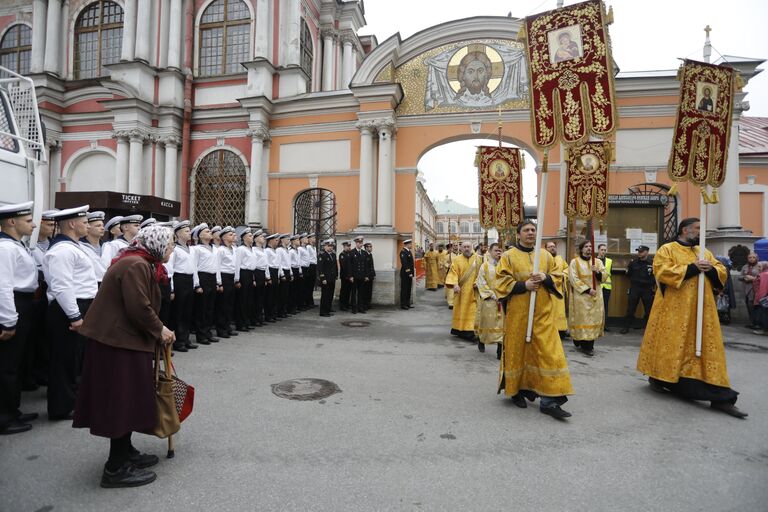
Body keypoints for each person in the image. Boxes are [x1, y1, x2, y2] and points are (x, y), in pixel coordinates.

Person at [74, 224, 176, 488]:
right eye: (169, 244)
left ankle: (126, 451)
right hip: (117, 343)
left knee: (129, 399)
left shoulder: (142, 262)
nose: (172, 249)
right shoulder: (136, 265)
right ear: (156, 244)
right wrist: (160, 329)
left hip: (123, 340)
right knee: (121, 400)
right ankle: (115, 468)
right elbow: (138, 307)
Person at [637, 218, 747, 418]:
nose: (700, 233)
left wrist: (711, 269)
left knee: (705, 349)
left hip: (703, 312)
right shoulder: (667, 249)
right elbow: (662, 271)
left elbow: (721, 272)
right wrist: (693, 268)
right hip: (674, 313)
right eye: (697, 229)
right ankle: (661, 378)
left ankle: (720, 395)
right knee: (672, 347)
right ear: (684, 230)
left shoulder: (704, 251)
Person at [495, 221, 573, 419]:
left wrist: (545, 277)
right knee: (518, 352)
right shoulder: (509, 256)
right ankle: (518, 390)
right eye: (526, 230)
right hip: (518, 315)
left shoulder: (546, 256)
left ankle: (550, 400)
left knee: (549, 353)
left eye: (533, 230)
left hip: (543, 315)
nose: (530, 233)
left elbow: (559, 276)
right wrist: (524, 285)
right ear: (518, 234)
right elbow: (501, 282)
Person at [44, 205, 99, 421]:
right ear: (72, 224)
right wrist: (75, 317)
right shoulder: (62, 251)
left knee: (73, 357)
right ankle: (61, 407)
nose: (87, 224)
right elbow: (62, 286)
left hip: (76, 306)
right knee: (64, 359)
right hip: (68, 309)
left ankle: (71, 401)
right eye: (85, 222)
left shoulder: (72, 247)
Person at [0, 202, 39, 435]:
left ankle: (12, 410)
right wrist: (8, 320)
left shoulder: (15, 245)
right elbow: (3, 286)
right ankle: (5, 417)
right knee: (7, 366)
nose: (33, 225)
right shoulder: (5, 248)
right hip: (13, 304)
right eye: (28, 221)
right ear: (12, 222)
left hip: (21, 303)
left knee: (16, 363)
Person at [568, 241, 607, 356]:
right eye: (586, 246)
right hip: (581, 297)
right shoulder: (574, 262)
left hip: (595, 296)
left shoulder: (598, 262)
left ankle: (589, 346)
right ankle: (579, 340)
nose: (589, 248)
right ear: (581, 249)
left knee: (593, 319)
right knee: (583, 320)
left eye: (590, 246)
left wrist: (598, 272)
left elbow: (604, 277)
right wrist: (587, 290)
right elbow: (573, 279)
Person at [167, 221, 198, 353]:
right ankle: (178, 341)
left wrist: (196, 283)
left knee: (187, 311)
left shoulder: (191, 249)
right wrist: (172, 288)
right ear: (178, 233)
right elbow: (171, 269)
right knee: (178, 311)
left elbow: (194, 268)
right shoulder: (175, 249)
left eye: (189, 230)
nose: (189, 233)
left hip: (189, 279)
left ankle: (185, 339)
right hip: (179, 279)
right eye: (186, 231)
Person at [445, 241, 482, 340]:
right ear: (461, 248)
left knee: (473, 310)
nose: (466, 248)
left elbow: (483, 272)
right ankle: (460, 329)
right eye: (464, 247)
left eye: (468, 247)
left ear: (472, 247)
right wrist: (455, 284)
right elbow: (453, 273)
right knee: (462, 310)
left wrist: (479, 283)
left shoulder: (478, 259)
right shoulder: (457, 260)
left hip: (474, 290)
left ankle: (471, 331)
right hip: (461, 291)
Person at [191, 224, 219, 345]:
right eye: (207, 231)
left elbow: (217, 266)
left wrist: (218, 281)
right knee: (201, 308)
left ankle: (208, 332)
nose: (210, 233)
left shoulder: (215, 248)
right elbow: (194, 267)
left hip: (212, 277)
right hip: (203, 277)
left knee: (210, 307)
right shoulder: (196, 249)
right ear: (200, 235)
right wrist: (197, 284)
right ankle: (201, 335)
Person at [474, 243, 504, 358]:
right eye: (496, 250)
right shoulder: (485, 266)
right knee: (487, 323)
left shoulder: (504, 265)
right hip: (489, 300)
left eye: (500, 250)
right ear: (490, 252)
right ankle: (481, 341)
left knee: (502, 325)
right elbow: (481, 281)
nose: (498, 253)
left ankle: (500, 349)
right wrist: (491, 294)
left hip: (502, 300)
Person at [620, 245, 655, 334]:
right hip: (635, 288)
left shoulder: (652, 263)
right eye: (638, 251)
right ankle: (626, 327)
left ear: (647, 252)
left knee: (648, 310)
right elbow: (628, 274)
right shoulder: (633, 262)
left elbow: (656, 275)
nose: (639, 253)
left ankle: (649, 329)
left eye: (641, 251)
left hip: (647, 289)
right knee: (630, 309)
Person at [215, 226, 237, 338]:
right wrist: (219, 283)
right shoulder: (220, 250)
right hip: (223, 277)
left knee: (229, 304)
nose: (233, 236)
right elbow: (217, 267)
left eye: (233, 234)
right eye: (230, 235)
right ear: (223, 237)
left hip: (231, 277)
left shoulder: (233, 249)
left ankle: (227, 327)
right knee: (222, 305)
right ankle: (221, 329)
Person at [545, 241, 569, 337]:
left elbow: (567, 269)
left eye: (554, 246)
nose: (552, 248)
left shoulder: (560, 259)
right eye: (550, 247)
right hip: (548, 289)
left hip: (559, 289)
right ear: (546, 249)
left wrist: (563, 275)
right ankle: (549, 329)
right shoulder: (544, 259)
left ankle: (561, 330)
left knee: (559, 310)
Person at [234, 227, 256, 331]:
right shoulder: (241, 249)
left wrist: (253, 278)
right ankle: (240, 324)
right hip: (243, 274)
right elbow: (237, 264)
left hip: (250, 274)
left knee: (249, 300)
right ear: (244, 238)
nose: (252, 238)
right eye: (250, 236)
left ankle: (246, 322)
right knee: (242, 300)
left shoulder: (251, 249)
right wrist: (237, 279)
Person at [80, 211, 107, 284]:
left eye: (102, 225)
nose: (102, 228)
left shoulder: (107, 246)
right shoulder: (80, 247)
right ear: (88, 227)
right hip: (88, 285)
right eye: (98, 226)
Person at [252, 230, 269, 327]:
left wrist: (267, 277)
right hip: (257, 273)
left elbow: (265, 264)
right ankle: (255, 318)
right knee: (256, 297)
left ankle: (259, 317)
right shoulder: (254, 250)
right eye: (261, 236)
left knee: (261, 297)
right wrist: (254, 278)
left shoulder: (263, 250)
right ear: (256, 239)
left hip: (262, 273)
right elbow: (253, 265)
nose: (263, 238)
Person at [264, 234, 282, 322]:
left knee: (275, 295)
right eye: (276, 240)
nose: (277, 242)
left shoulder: (276, 251)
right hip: (270, 272)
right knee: (269, 296)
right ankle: (268, 315)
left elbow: (278, 264)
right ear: (270, 241)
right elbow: (266, 264)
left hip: (275, 272)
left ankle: (273, 314)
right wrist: (268, 277)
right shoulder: (267, 251)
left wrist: (278, 276)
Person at [318, 239, 338, 317]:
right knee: (325, 296)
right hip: (325, 279)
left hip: (332, 278)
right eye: (329, 246)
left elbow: (335, 266)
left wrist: (336, 276)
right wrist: (323, 278)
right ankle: (323, 312)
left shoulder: (333, 255)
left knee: (330, 295)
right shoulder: (322, 255)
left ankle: (328, 309)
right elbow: (320, 268)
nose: (330, 248)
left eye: (331, 246)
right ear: (325, 246)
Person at [739, 252, 760, 329]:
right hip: (746, 289)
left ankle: (757, 323)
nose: (751, 259)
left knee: (755, 306)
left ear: (757, 258)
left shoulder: (760, 266)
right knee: (748, 306)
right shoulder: (745, 266)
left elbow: (763, 277)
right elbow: (740, 276)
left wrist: (753, 278)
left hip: (756, 289)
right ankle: (752, 322)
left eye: (753, 257)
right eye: (750, 257)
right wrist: (744, 277)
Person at [348, 236, 367, 314]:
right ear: (356, 243)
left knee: (361, 293)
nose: (360, 244)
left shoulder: (364, 253)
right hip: (355, 276)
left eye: (361, 243)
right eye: (359, 243)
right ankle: (354, 308)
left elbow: (365, 265)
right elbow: (349, 266)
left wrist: (366, 275)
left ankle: (360, 307)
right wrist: (350, 276)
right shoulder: (352, 252)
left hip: (362, 276)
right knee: (354, 293)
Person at [597, 244, 612, 331]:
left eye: (605, 250)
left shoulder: (609, 261)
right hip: (597, 286)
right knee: (596, 305)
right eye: (602, 250)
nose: (603, 251)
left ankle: (604, 325)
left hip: (607, 286)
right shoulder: (594, 260)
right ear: (598, 250)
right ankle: (597, 325)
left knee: (605, 306)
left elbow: (610, 273)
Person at [277, 234, 293, 315]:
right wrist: (282, 274)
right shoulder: (279, 250)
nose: (289, 241)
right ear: (282, 240)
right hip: (283, 271)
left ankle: (284, 309)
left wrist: (291, 273)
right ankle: (280, 311)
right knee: (282, 293)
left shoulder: (287, 250)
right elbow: (279, 263)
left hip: (287, 271)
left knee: (286, 293)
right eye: (287, 239)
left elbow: (289, 263)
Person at [400, 239, 415, 309]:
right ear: (406, 244)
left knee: (408, 289)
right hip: (405, 274)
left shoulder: (409, 251)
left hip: (409, 274)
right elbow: (405, 264)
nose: (411, 245)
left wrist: (411, 273)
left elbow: (411, 263)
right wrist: (409, 272)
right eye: (410, 244)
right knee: (404, 289)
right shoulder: (403, 252)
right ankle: (403, 304)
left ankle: (407, 303)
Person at [304, 234, 318, 308]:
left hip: (314, 266)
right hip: (310, 266)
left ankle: (310, 301)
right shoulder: (308, 247)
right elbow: (308, 258)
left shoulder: (314, 247)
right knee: (308, 285)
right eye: (313, 238)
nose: (314, 239)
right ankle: (307, 302)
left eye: (315, 237)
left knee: (312, 285)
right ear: (309, 239)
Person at [338, 241, 352, 311]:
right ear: (344, 246)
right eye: (347, 246)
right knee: (344, 291)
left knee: (348, 291)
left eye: (349, 246)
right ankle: (342, 305)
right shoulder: (342, 255)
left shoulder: (350, 254)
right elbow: (344, 267)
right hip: (345, 276)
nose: (349, 247)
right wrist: (349, 276)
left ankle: (346, 304)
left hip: (350, 276)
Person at [362, 242, 375, 310]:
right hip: (366, 277)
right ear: (366, 248)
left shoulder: (370, 254)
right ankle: (364, 305)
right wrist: (366, 276)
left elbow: (371, 266)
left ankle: (368, 304)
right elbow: (365, 267)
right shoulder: (364, 255)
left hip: (370, 276)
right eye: (369, 247)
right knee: (365, 291)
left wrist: (373, 274)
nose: (371, 248)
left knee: (369, 291)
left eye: (371, 246)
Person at [444, 243, 456, 308]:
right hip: (450, 273)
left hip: (458, 273)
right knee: (450, 289)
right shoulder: (448, 256)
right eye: (454, 246)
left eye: (457, 246)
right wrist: (448, 265)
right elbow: (445, 262)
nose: (455, 247)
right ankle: (450, 303)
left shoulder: (460, 255)